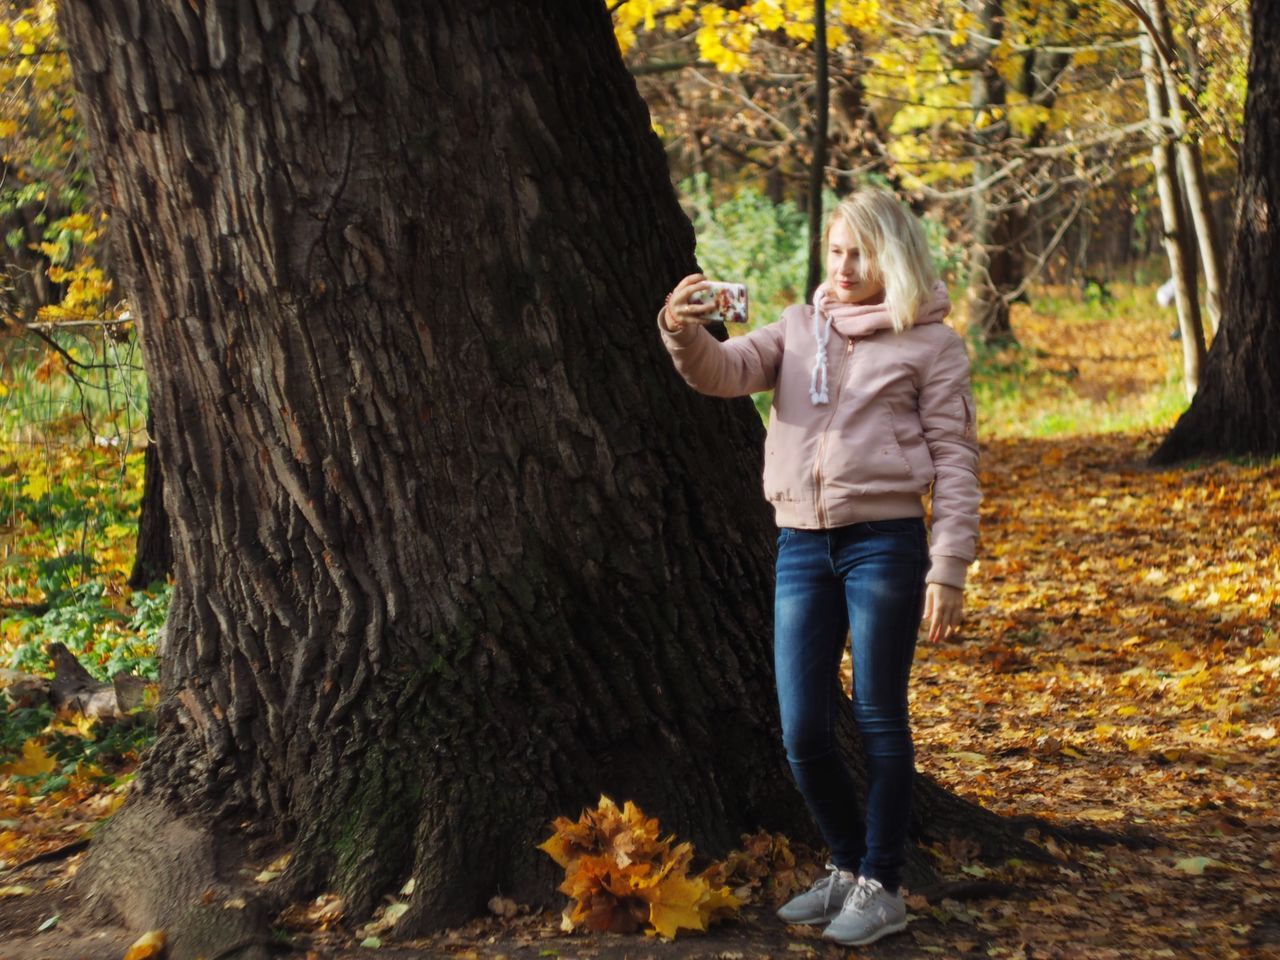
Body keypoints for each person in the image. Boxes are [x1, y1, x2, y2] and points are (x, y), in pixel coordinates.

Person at [657, 188, 980, 947]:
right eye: (835, 250)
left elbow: (957, 462)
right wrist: (681, 330)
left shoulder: (931, 346)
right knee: (802, 728)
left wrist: (950, 567)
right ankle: (842, 864)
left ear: (893, 257)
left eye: (860, 253)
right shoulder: (800, 329)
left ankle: (882, 882)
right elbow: (724, 371)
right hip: (802, 544)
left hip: (886, 544)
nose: (843, 265)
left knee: (877, 717)